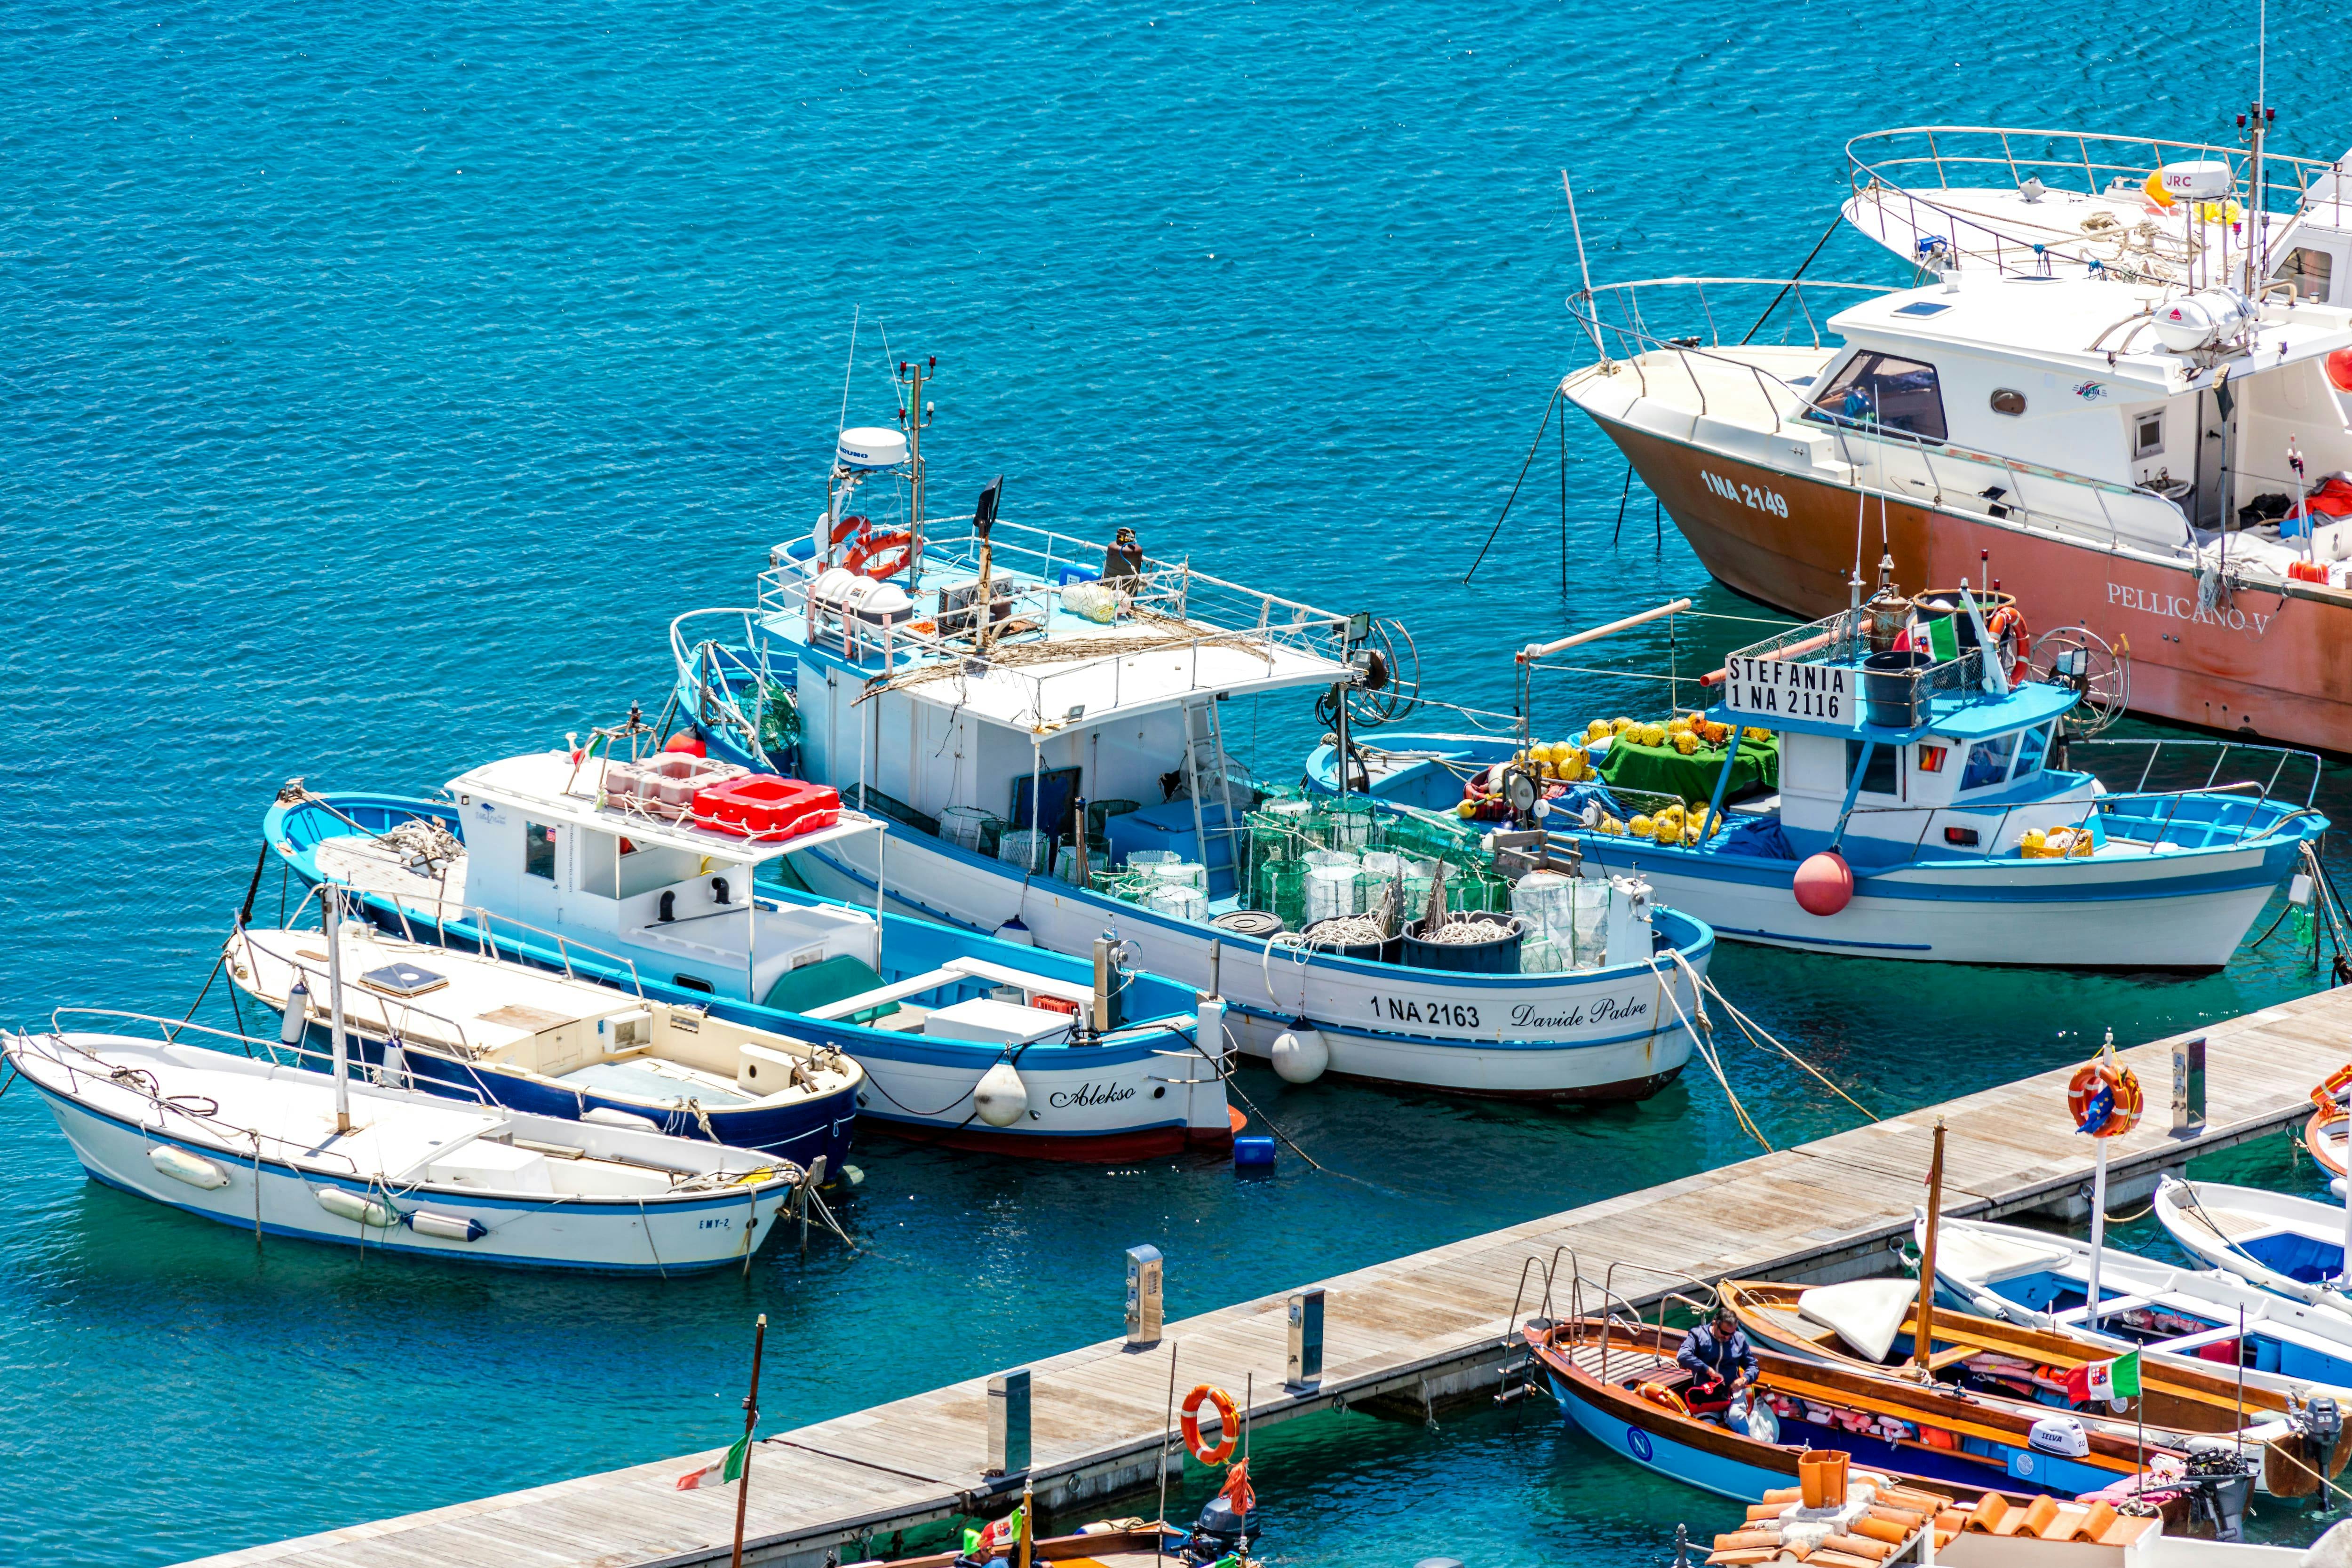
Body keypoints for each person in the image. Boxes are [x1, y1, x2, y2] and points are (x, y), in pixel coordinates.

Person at [1678, 1305, 1759, 1418]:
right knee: (1708, 1424)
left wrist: (1744, 1379)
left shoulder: (1739, 1339)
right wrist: (1707, 1370)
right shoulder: (1698, 1335)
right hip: (1707, 1396)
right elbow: (1683, 1355)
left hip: (1733, 1395)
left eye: (1732, 1334)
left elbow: (1753, 1366)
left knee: (1737, 1418)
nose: (1728, 1338)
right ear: (1715, 1323)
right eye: (1724, 1333)